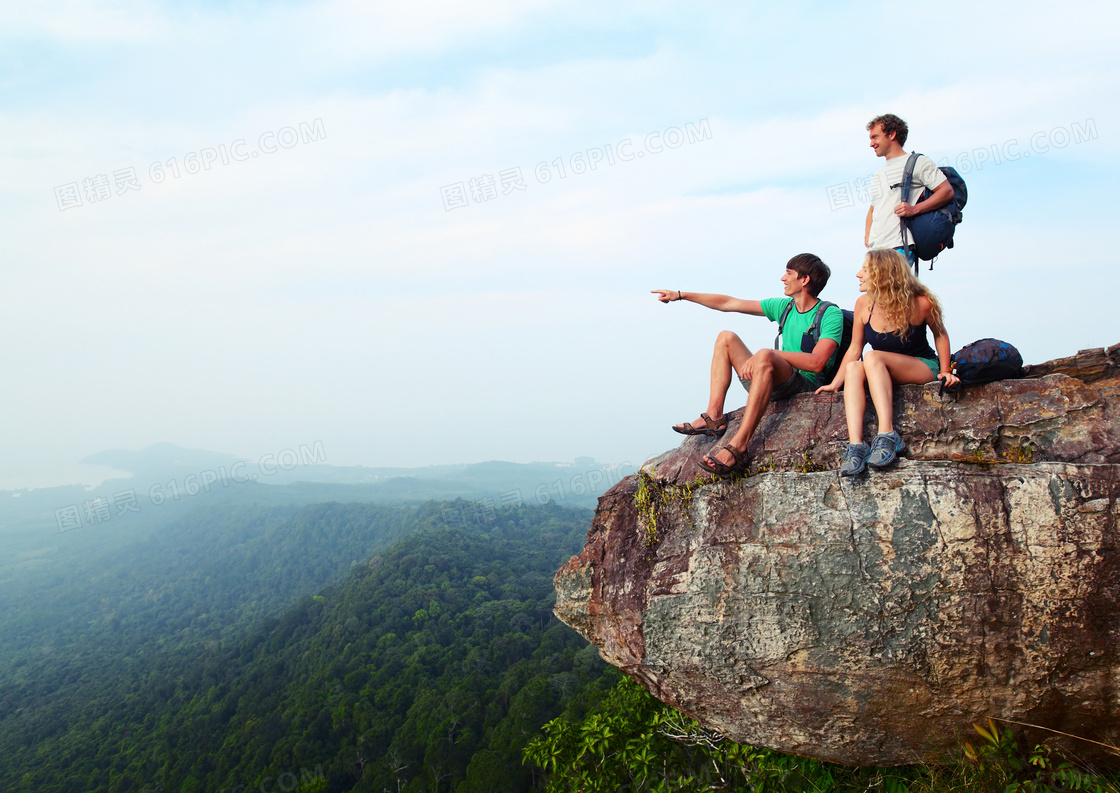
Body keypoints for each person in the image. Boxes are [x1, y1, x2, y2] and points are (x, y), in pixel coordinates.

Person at [651, 254, 843, 476]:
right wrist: (681, 295)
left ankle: (738, 445)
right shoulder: (784, 307)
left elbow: (818, 363)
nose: (783, 278)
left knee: (764, 355)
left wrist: (769, 354)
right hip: (774, 380)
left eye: (789, 273)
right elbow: (729, 303)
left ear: (805, 280)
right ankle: (714, 417)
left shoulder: (829, 314)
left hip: (804, 386)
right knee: (726, 338)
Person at [816, 248, 960, 476]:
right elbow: (855, 349)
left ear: (883, 273)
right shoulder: (864, 304)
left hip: (921, 365)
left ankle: (887, 434)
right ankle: (856, 446)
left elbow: (940, 334)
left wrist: (945, 370)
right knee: (855, 366)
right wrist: (835, 383)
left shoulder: (921, 302)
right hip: (880, 368)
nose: (858, 274)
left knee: (872, 356)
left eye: (865, 270)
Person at [865, 114, 955, 266]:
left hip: (898, 247)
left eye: (875, 137)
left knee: (892, 290)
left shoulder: (918, 162)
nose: (871, 144)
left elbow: (946, 191)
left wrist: (914, 209)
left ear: (892, 134)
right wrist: (868, 237)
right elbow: (873, 209)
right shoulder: (879, 174)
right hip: (875, 251)